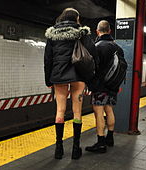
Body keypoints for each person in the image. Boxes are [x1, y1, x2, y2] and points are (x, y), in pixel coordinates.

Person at [44, 8, 97, 160]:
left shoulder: (52, 35)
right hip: (78, 75)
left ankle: (58, 148)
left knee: (60, 111)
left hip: (58, 76)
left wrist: (48, 80)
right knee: (77, 112)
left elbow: (48, 59)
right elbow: (92, 53)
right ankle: (75, 148)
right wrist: (91, 76)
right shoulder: (82, 33)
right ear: (76, 19)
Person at [85, 20, 124, 153]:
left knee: (99, 113)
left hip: (100, 87)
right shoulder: (118, 48)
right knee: (109, 110)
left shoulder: (97, 46)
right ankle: (110, 138)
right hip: (113, 86)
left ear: (97, 31)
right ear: (110, 31)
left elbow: (92, 68)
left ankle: (101, 143)